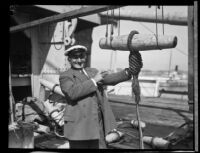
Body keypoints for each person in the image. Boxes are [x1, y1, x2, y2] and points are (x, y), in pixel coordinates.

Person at [59, 45, 132, 149]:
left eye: (82, 57)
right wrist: (94, 81)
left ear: (85, 57)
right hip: (79, 125)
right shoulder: (65, 76)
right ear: (69, 59)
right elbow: (72, 93)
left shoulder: (92, 72)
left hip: (96, 122)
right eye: (75, 57)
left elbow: (109, 79)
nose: (79, 60)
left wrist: (128, 72)